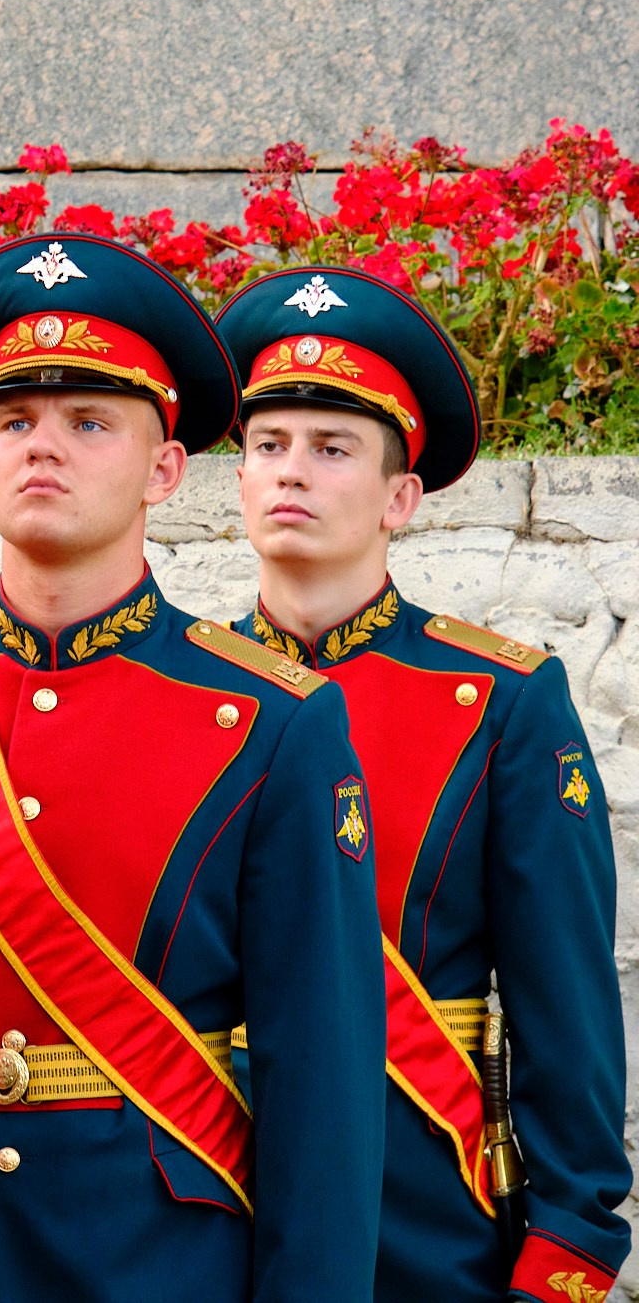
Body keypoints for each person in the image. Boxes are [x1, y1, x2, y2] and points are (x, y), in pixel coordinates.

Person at [0, 234, 386, 1301]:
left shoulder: (271, 721)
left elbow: (321, 1084)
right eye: (12, 422)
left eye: (87, 422)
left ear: (164, 467)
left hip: (156, 1259)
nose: (38, 447)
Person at [219, 265, 631, 1302]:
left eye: (329, 449)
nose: (288, 474)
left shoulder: (499, 701)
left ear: (399, 496)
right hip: (199, 1194)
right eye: (266, 446)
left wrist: (570, 1233)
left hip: (417, 1210)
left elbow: (562, 1003)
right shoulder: (187, 691)